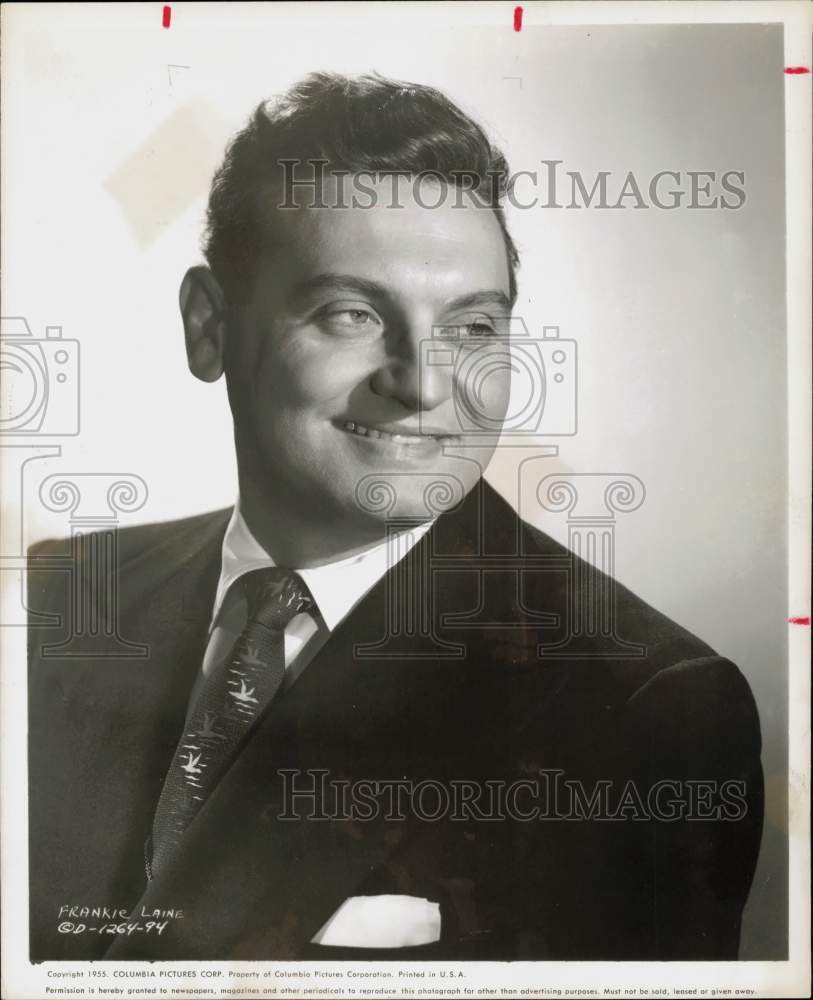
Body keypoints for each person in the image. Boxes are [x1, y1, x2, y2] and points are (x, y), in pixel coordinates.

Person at [27, 72, 763, 962]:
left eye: (472, 327)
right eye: (351, 313)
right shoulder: (57, 598)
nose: (421, 382)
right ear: (209, 328)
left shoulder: (644, 710)